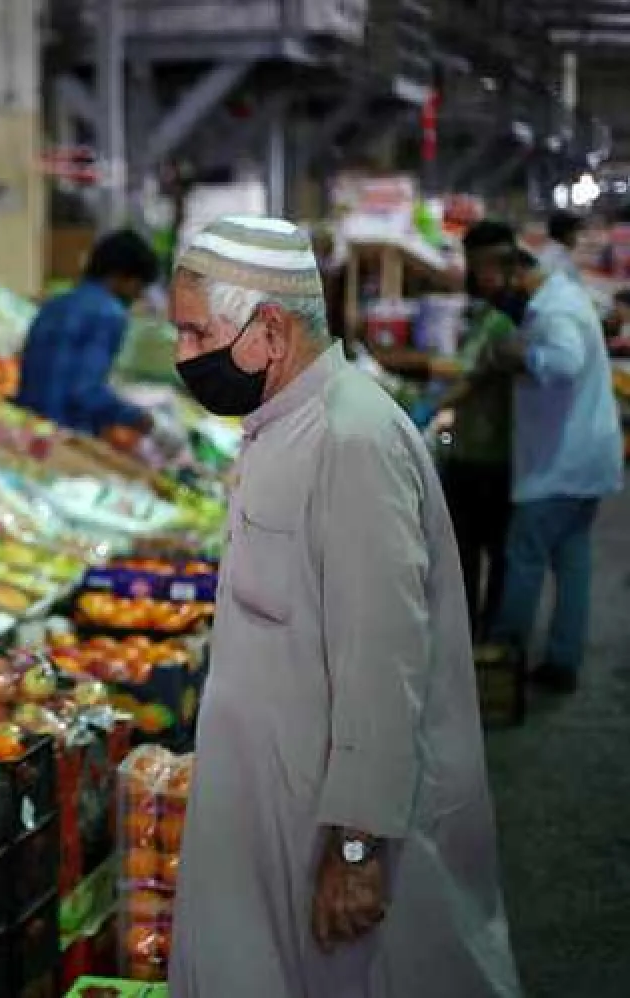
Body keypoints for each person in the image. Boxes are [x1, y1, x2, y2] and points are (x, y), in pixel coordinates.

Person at [166, 216, 519, 997]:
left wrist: (357, 857)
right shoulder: (278, 427)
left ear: (269, 329)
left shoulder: (352, 441)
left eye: (196, 334)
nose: (183, 355)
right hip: (268, 822)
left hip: (328, 842)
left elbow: (382, 671)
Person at [466, 220, 624, 693]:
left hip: (562, 462)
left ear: (512, 271)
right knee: (572, 561)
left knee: (523, 556)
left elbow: (564, 362)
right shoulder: (557, 296)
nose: (484, 288)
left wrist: (518, 356)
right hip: (584, 458)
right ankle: (562, 661)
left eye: (487, 277)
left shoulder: (554, 312)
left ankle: (501, 661)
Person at [15, 228, 188, 459]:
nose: (137, 296)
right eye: (137, 286)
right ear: (121, 277)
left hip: (26, 429)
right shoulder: (108, 313)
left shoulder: (55, 304)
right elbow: (86, 393)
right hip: (65, 439)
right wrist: (147, 422)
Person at [429, 292, 517, 634]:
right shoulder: (488, 321)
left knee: (480, 549)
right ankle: (475, 627)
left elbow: (468, 377)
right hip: (479, 452)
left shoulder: (497, 325)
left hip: (485, 455)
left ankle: (480, 630)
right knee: (477, 550)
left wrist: (435, 405)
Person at [536, 211, 583, 281]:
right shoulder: (563, 264)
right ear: (566, 233)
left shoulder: (548, 253)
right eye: (575, 231)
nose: (577, 237)